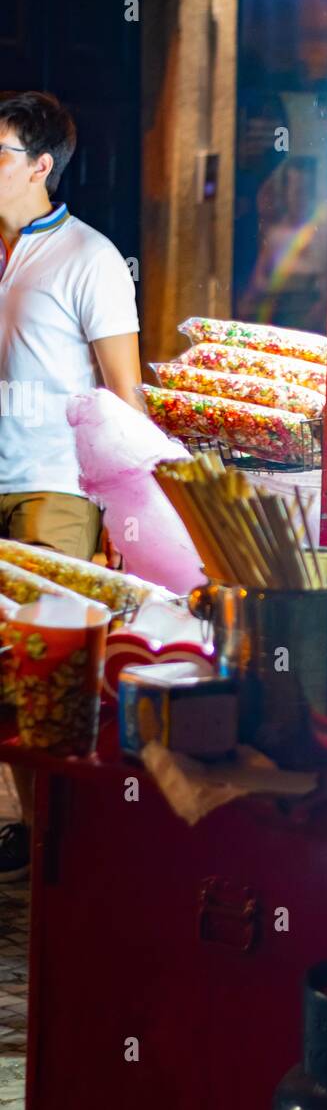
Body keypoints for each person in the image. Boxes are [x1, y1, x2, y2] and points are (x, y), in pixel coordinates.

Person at [0, 90, 141, 880]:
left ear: (40, 166)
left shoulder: (89, 257)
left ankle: (69, 835)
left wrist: (127, 514)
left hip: (55, 483)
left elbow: (125, 392)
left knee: (49, 669)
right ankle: (29, 821)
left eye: (0, 154)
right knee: (3, 669)